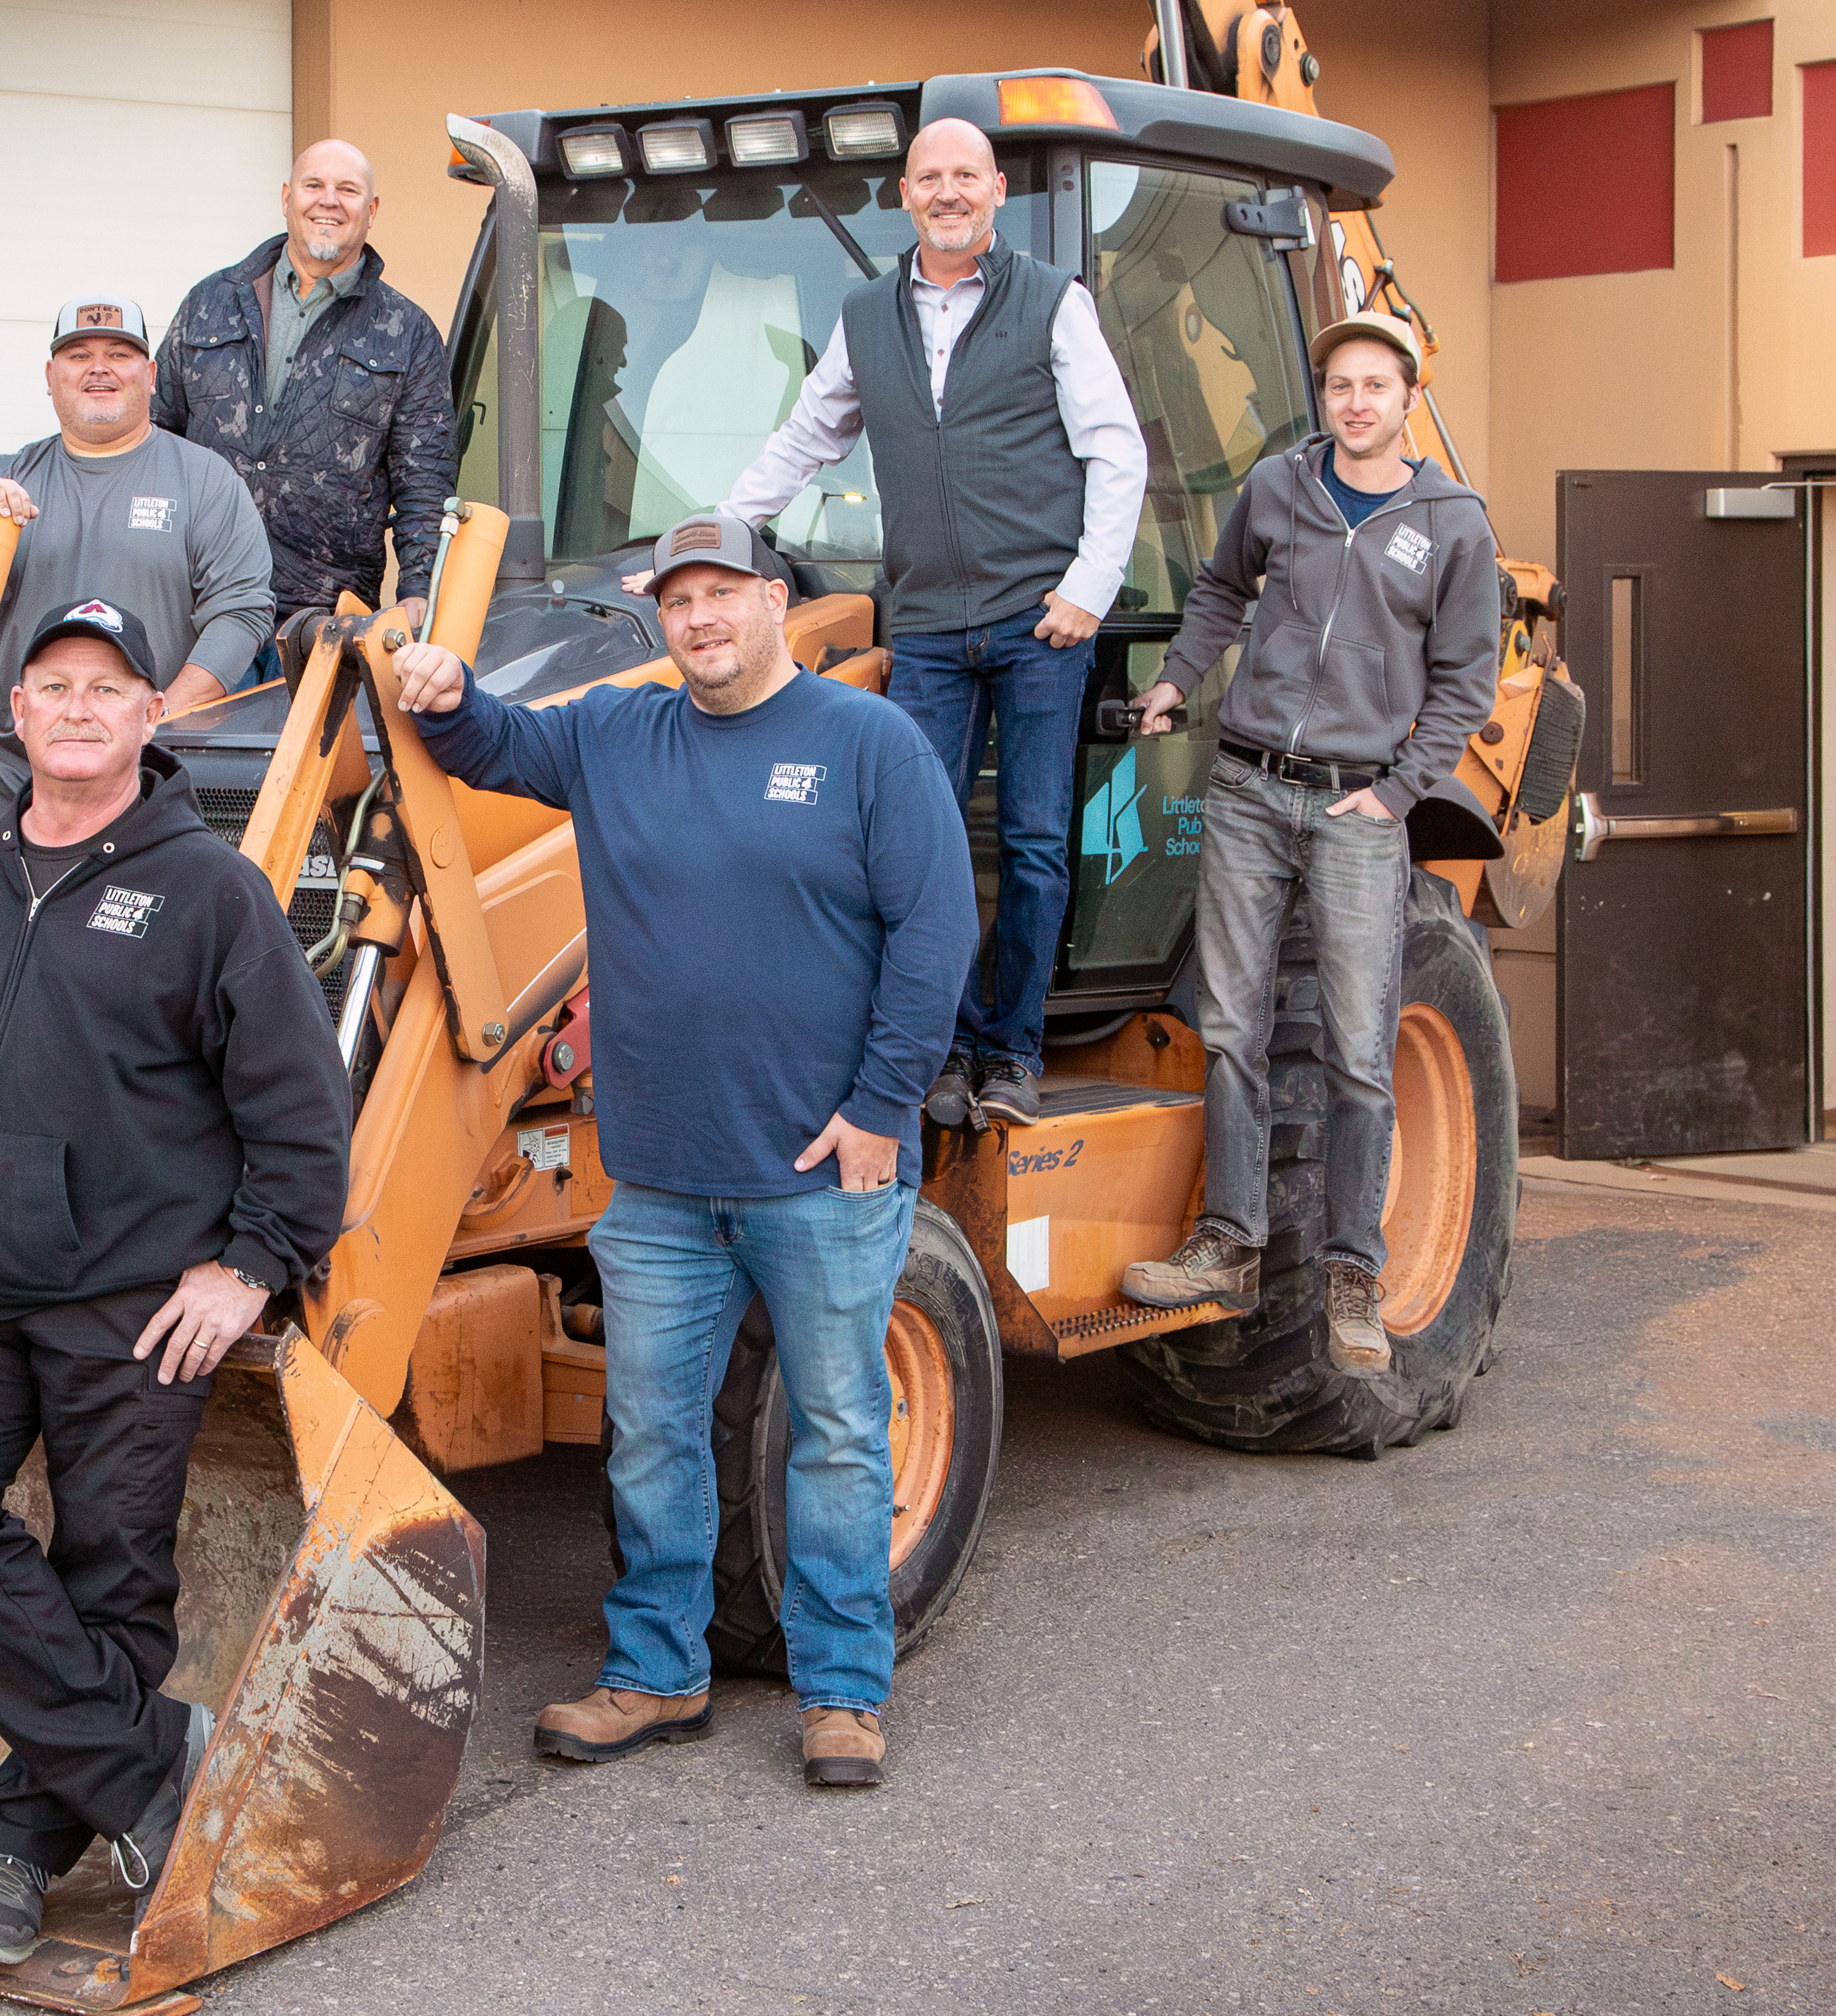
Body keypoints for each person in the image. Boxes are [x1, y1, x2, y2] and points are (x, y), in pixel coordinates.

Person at [390, 512, 975, 1789]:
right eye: (679, 600)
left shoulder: (867, 743)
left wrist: (882, 1107)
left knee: (836, 1432)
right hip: (657, 1178)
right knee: (651, 1430)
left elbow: (934, 934)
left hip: (822, 1173)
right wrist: (440, 691)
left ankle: (841, 1692)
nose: (700, 618)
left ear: (775, 600)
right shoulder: (618, 732)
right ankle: (657, 1673)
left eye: (723, 594)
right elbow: (493, 742)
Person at [0, 597, 347, 1962]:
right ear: (14, 714)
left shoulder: (211, 894)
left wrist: (255, 1263)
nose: (75, 706)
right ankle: (143, 1773)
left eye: (106, 688)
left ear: (147, 718)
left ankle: (14, 1852)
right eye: (50, 685)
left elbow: (301, 1106)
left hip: (129, 1301)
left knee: (111, 1578)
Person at [639, 116, 1143, 1131]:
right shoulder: (868, 315)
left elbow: (1116, 447)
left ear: (997, 190)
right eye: (929, 178)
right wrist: (716, 537)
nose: (948, 191)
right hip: (927, 627)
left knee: (1038, 844)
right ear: (905, 195)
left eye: (966, 175)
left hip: (1039, 621)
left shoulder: (1054, 302)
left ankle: (1013, 1049)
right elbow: (807, 434)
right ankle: (946, 1040)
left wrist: (1089, 585)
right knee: (919, 842)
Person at [1119, 313, 1499, 1374]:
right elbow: (1218, 592)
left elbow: (1469, 677)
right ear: (1323, 395)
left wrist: (1397, 793)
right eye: (1340, 384)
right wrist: (1176, 679)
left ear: (1406, 399)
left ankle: (1352, 1276)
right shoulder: (1279, 487)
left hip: (1354, 811)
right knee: (1231, 1025)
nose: (1356, 401)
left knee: (1357, 1052)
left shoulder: (1453, 521)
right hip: (1246, 786)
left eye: (1376, 385)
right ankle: (1231, 1246)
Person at [0, 298, 275, 828]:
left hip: (140, 770)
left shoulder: (205, 481)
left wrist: (158, 725)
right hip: (4, 765)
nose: (99, 368)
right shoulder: (5, 477)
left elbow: (242, 611)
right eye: (78, 355)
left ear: (151, 375)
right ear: (51, 376)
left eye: (120, 353)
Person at [153, 139, 457, 650]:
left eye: (348, 190)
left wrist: (419, 589)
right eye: (314, 186)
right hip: (195, 600)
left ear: (372, 210)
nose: (329, 201)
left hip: (322, 622)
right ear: (288, 197)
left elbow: (424, 482)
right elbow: (152, 434)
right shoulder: (211, 303)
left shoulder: (407, 332)